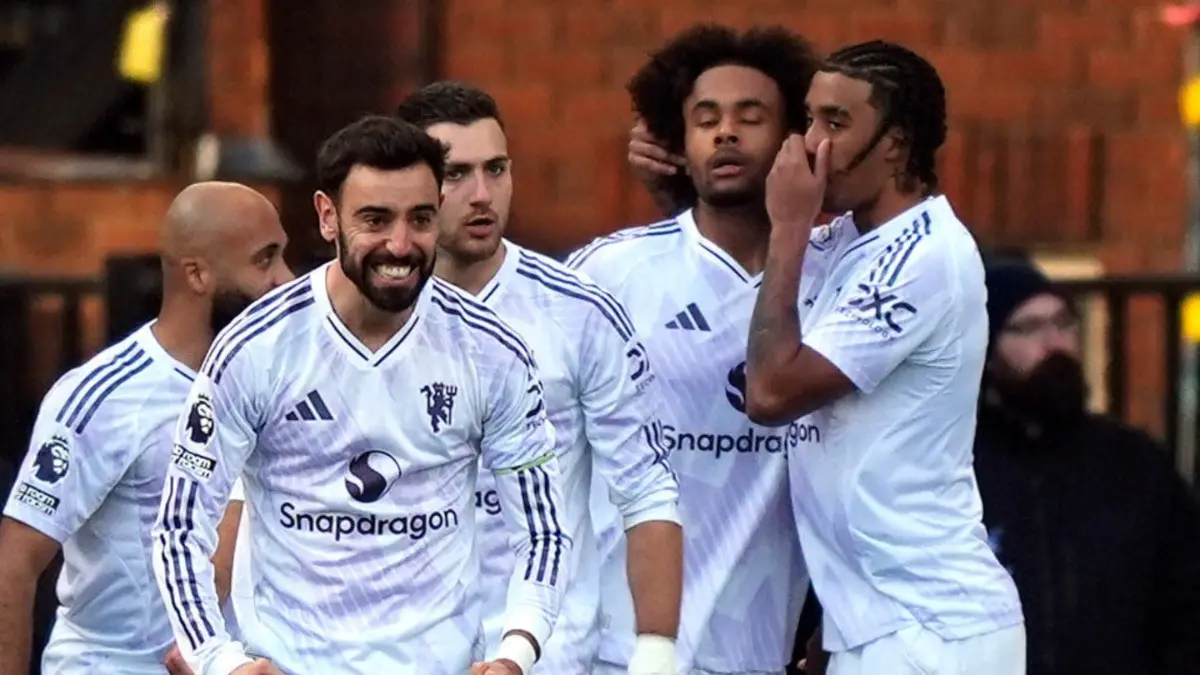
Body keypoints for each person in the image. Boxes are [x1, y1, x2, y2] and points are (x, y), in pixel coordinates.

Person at [151, 116, 571, 675]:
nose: (400, 244)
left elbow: (543, 531)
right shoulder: (256, 347)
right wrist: (221, 661)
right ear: (328, 217)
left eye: (420, 218)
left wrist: (515, 654)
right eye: (375, 219)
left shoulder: (490, 351)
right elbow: (181, 526)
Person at [742, 40, 1025, 674]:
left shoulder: (925, 256)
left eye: (836, 124)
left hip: (935, 627)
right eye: (809, 119)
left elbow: (771, 393)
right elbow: (738, 278)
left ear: (895, 144)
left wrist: (789, 228)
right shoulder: (845, 240)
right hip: (871, 624)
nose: (812, 143)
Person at [395, 82, 684, 674]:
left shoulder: (578, 314)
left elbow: (647, 490)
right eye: (457, 174)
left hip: (545, 657)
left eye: (497, 169)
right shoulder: (357, 314)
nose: (483, 195)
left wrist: (655, 655)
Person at [566, 23, 822, 675]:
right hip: (615, 653)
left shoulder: (834, 276)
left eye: (750, 116)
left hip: (759, 651)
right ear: (678, 142)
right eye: (706, 119)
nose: (726, 132)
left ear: (795, 137)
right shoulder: (610, 273)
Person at [0, 182, 292, 675]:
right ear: (197, 274)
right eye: (264, 262)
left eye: (284, 257)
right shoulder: (104, 396)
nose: (287, 281)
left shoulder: (278, 386)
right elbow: (16, 562)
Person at [975, 258, 1200, 675]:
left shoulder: (1134, 466)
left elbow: (1185, 602)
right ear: (986, 353)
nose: (1054, 343)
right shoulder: (960, 472)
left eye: (1063, 322)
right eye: (1027, 328)